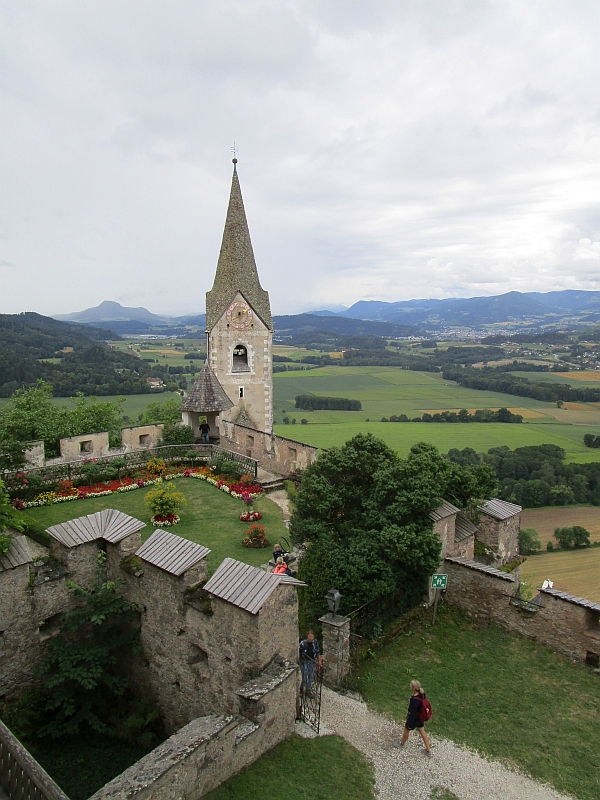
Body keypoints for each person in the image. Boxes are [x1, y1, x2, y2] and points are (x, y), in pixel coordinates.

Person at [393, 680, 431, 755]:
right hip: (420, 718)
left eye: (411, 685)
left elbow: (412, 712)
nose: (410, 685)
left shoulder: (414, 700)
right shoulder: (422, 694)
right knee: (422, 732)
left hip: (414, 719)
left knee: (406, 730)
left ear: (413, 688)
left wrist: (409, 723)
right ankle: (428, 750)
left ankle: (401, 744)